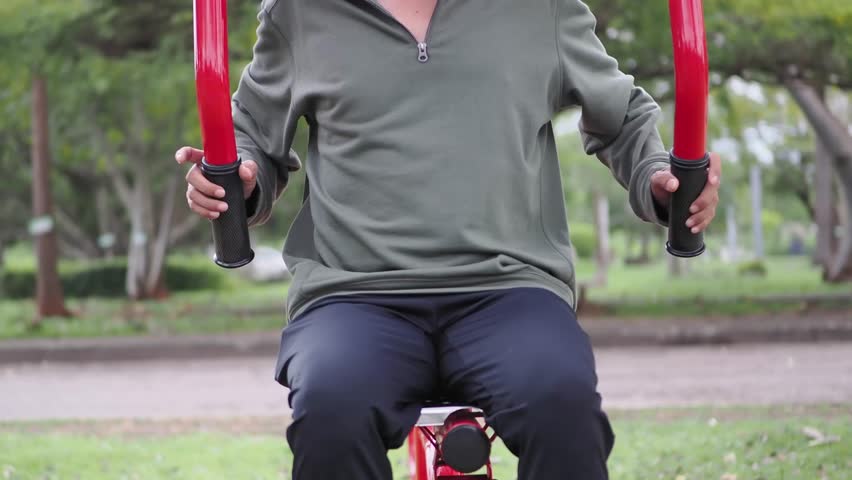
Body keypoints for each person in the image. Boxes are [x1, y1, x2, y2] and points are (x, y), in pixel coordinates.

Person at [176, 0, 721, 478]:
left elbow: (622, 118)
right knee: (331, 409)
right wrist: (238, 177)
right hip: (355, 293)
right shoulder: (300, 13)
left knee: (562, 402)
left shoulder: (540, 9)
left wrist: (657, 175)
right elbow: (252, 134)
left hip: (507, 288)